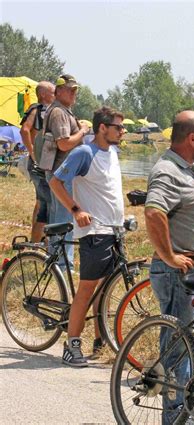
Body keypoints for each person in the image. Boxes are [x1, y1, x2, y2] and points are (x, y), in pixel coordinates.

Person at [144, 111, 194, 425]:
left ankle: (183, 412)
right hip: (176, 272)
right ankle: (173, 419)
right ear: (192, 139)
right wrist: (170, 255)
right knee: (177, 347)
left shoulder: (187, 169)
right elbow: (154, 211)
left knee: (187, 343)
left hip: (189, 269)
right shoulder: (168, 170)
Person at [49, 106, 125, 367]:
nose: (123, 131)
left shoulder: (113, 152)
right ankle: (72, 344)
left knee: (105, 288)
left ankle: (100, 340)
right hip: (93, 232)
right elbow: (56, 182)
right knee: (87, 288)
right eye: (118, 127)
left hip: (114, 230)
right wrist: (75, 209)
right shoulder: (84, 152)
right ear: (102, 128)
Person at [45, 74, 89, 269]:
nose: (74, 93)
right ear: (59, 91)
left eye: (75, 90)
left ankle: (55, 262)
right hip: (61, 174)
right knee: (65, 219)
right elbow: (63, 144)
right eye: (70, 90)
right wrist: (83, 131)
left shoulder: (62, 111)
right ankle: (63, 265)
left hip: (58, 172)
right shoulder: (59, 113)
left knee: (58, 219)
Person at [19, 81, 55, 242]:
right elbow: (24, 130)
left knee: (41, 202)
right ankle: (36, 243)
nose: (55, 94)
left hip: (44, 163)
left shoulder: (50, 112)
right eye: (52, 92)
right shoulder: (36, 109)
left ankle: (39, 240)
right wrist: (32, 151)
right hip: (37, 164)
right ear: (43, 95)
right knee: (46, 203)